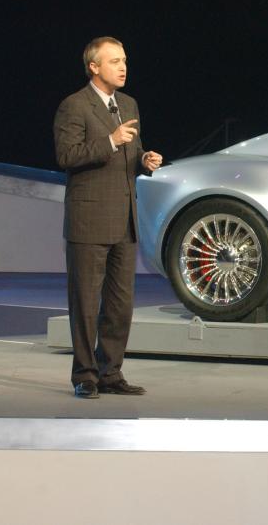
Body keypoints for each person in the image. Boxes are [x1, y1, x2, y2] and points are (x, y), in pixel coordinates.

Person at [53, 36, 163, 399]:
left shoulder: (128, 103)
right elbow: (67, 156)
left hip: (124, 219)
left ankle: (110, 371)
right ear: (94, 67)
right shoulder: (74, 106)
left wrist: (143, 159)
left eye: (125, 60)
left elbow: (130, 152)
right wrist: (112, 141)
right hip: (88, 219)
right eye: (114, 60)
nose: (123, 66)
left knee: (120, 304)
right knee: (85, 303)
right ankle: (84, 374)